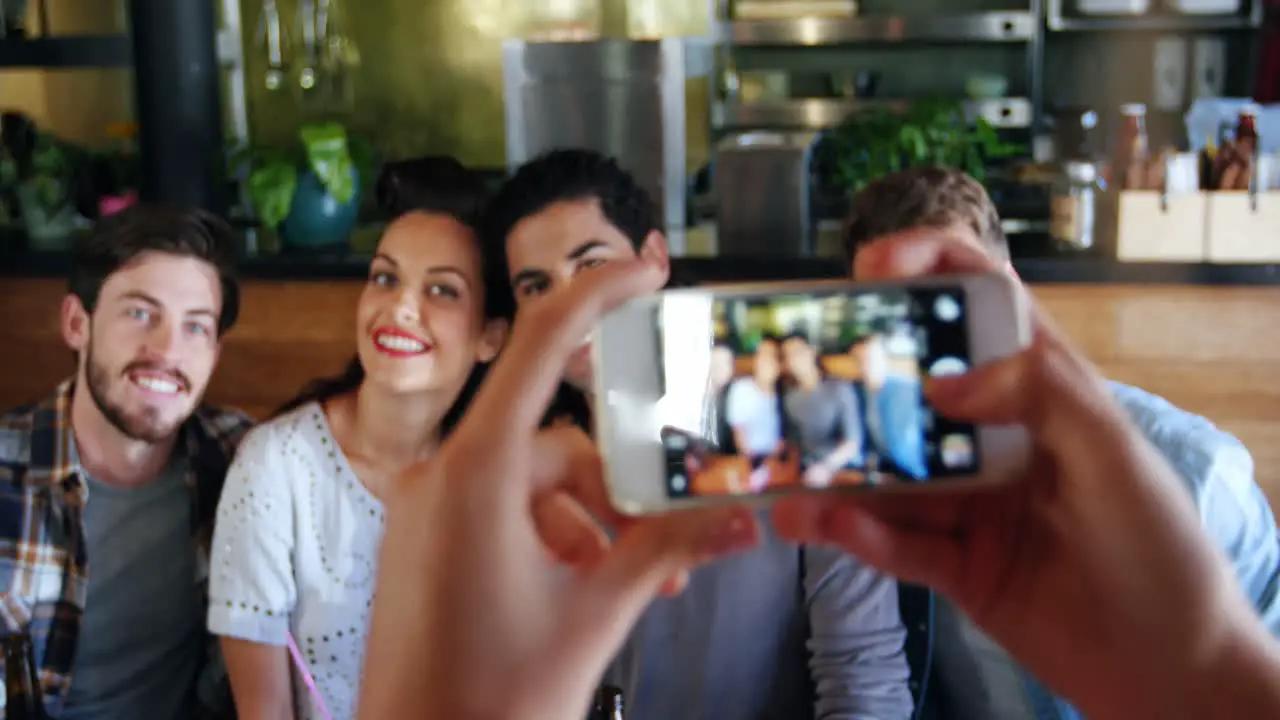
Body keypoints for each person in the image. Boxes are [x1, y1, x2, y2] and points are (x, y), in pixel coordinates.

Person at [356, 231, 1280, 720]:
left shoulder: (1196, 476)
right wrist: (1203, 679)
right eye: (531, 282)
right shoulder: (689, 453)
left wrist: (1203, 677)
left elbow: (863, 680)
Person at [482, 148, 913, 719]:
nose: (572, 306)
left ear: (654, 257)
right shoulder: (528, 472)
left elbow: (865, 682)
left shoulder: (792, 427)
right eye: (538, 287)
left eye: (591, 266)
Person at [841, 165, 1280, 719]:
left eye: (949, 299)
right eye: (886, 316)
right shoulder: (873, 489)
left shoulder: (1195, 477)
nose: (920, 339)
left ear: (1012, 296)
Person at [207, 157, 507, 720]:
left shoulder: (502, 478)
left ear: (491, 335)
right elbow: (263, 711)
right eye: (385, 278)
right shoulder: (277, 466)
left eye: (442, 290)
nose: (400, 308)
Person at [0, 205, 250, 718]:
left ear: (216, 353)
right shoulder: (6, 469)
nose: (166, 350)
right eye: (141, 313)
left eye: (195, 327)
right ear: (77, 323)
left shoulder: (246, 461)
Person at [779, 332, 862, 488]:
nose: (794, 359)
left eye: (797, 352)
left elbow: (852, 442)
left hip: (842, 469)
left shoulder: (839, 388)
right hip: (807, 472)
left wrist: (826, 467)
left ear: (812, 351)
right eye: (787, 355)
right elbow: (792, 442)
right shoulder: (790, 397)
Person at [849, 330, 928, 482]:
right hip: (883, 470)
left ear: (884, 358)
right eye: (859, 360)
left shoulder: (908, 388)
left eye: (870, 358)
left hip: (914, 471)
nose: (865, 364)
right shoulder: (858, 393)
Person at [723, 336, 787, 491]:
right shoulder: (741, 389)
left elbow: (784, 439)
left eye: (770, 358)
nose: (764, 362)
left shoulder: (784, 394)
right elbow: (739, 432)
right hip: (748, 459)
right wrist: (753, 466)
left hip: (777, 462)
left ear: (779, 365)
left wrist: (771, 464)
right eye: (760, 356)